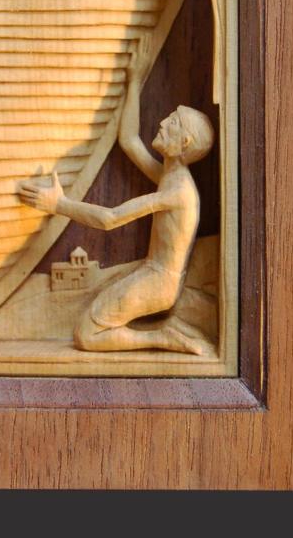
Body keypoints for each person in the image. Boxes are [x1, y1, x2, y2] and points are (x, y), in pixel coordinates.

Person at [18, 37, 214, 354]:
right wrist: (134, 79)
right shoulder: (171, 176)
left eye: (173, 123)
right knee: (91, 327)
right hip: (153, 275)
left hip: (158, 284)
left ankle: (163, 338)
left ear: (184, 143)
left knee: (86, 335)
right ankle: (165, 335)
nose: (163, 122)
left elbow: (110, 219)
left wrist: (59, 204)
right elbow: (130, 141)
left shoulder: (178, 191)